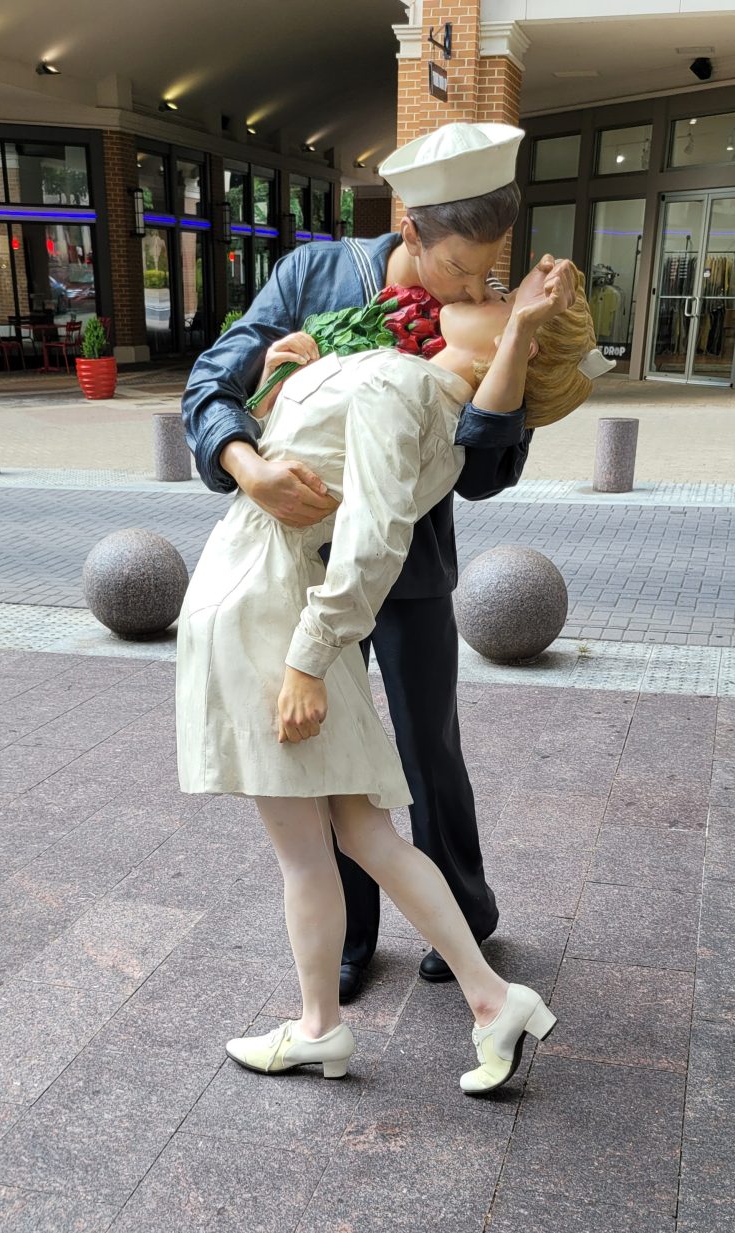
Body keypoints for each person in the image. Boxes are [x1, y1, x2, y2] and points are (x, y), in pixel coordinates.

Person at [176, 266, 600, 1095]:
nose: (487, 292)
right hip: (287, 604)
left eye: (497, 303)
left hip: (266, 605)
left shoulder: (401, 383)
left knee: (310, 851)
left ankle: (321, 1028)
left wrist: (305, 656)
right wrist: (280, 377)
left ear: (492, 356)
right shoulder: (417, 386)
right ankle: (490, 997)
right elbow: (303, 459)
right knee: (365, 831)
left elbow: (372, 538)